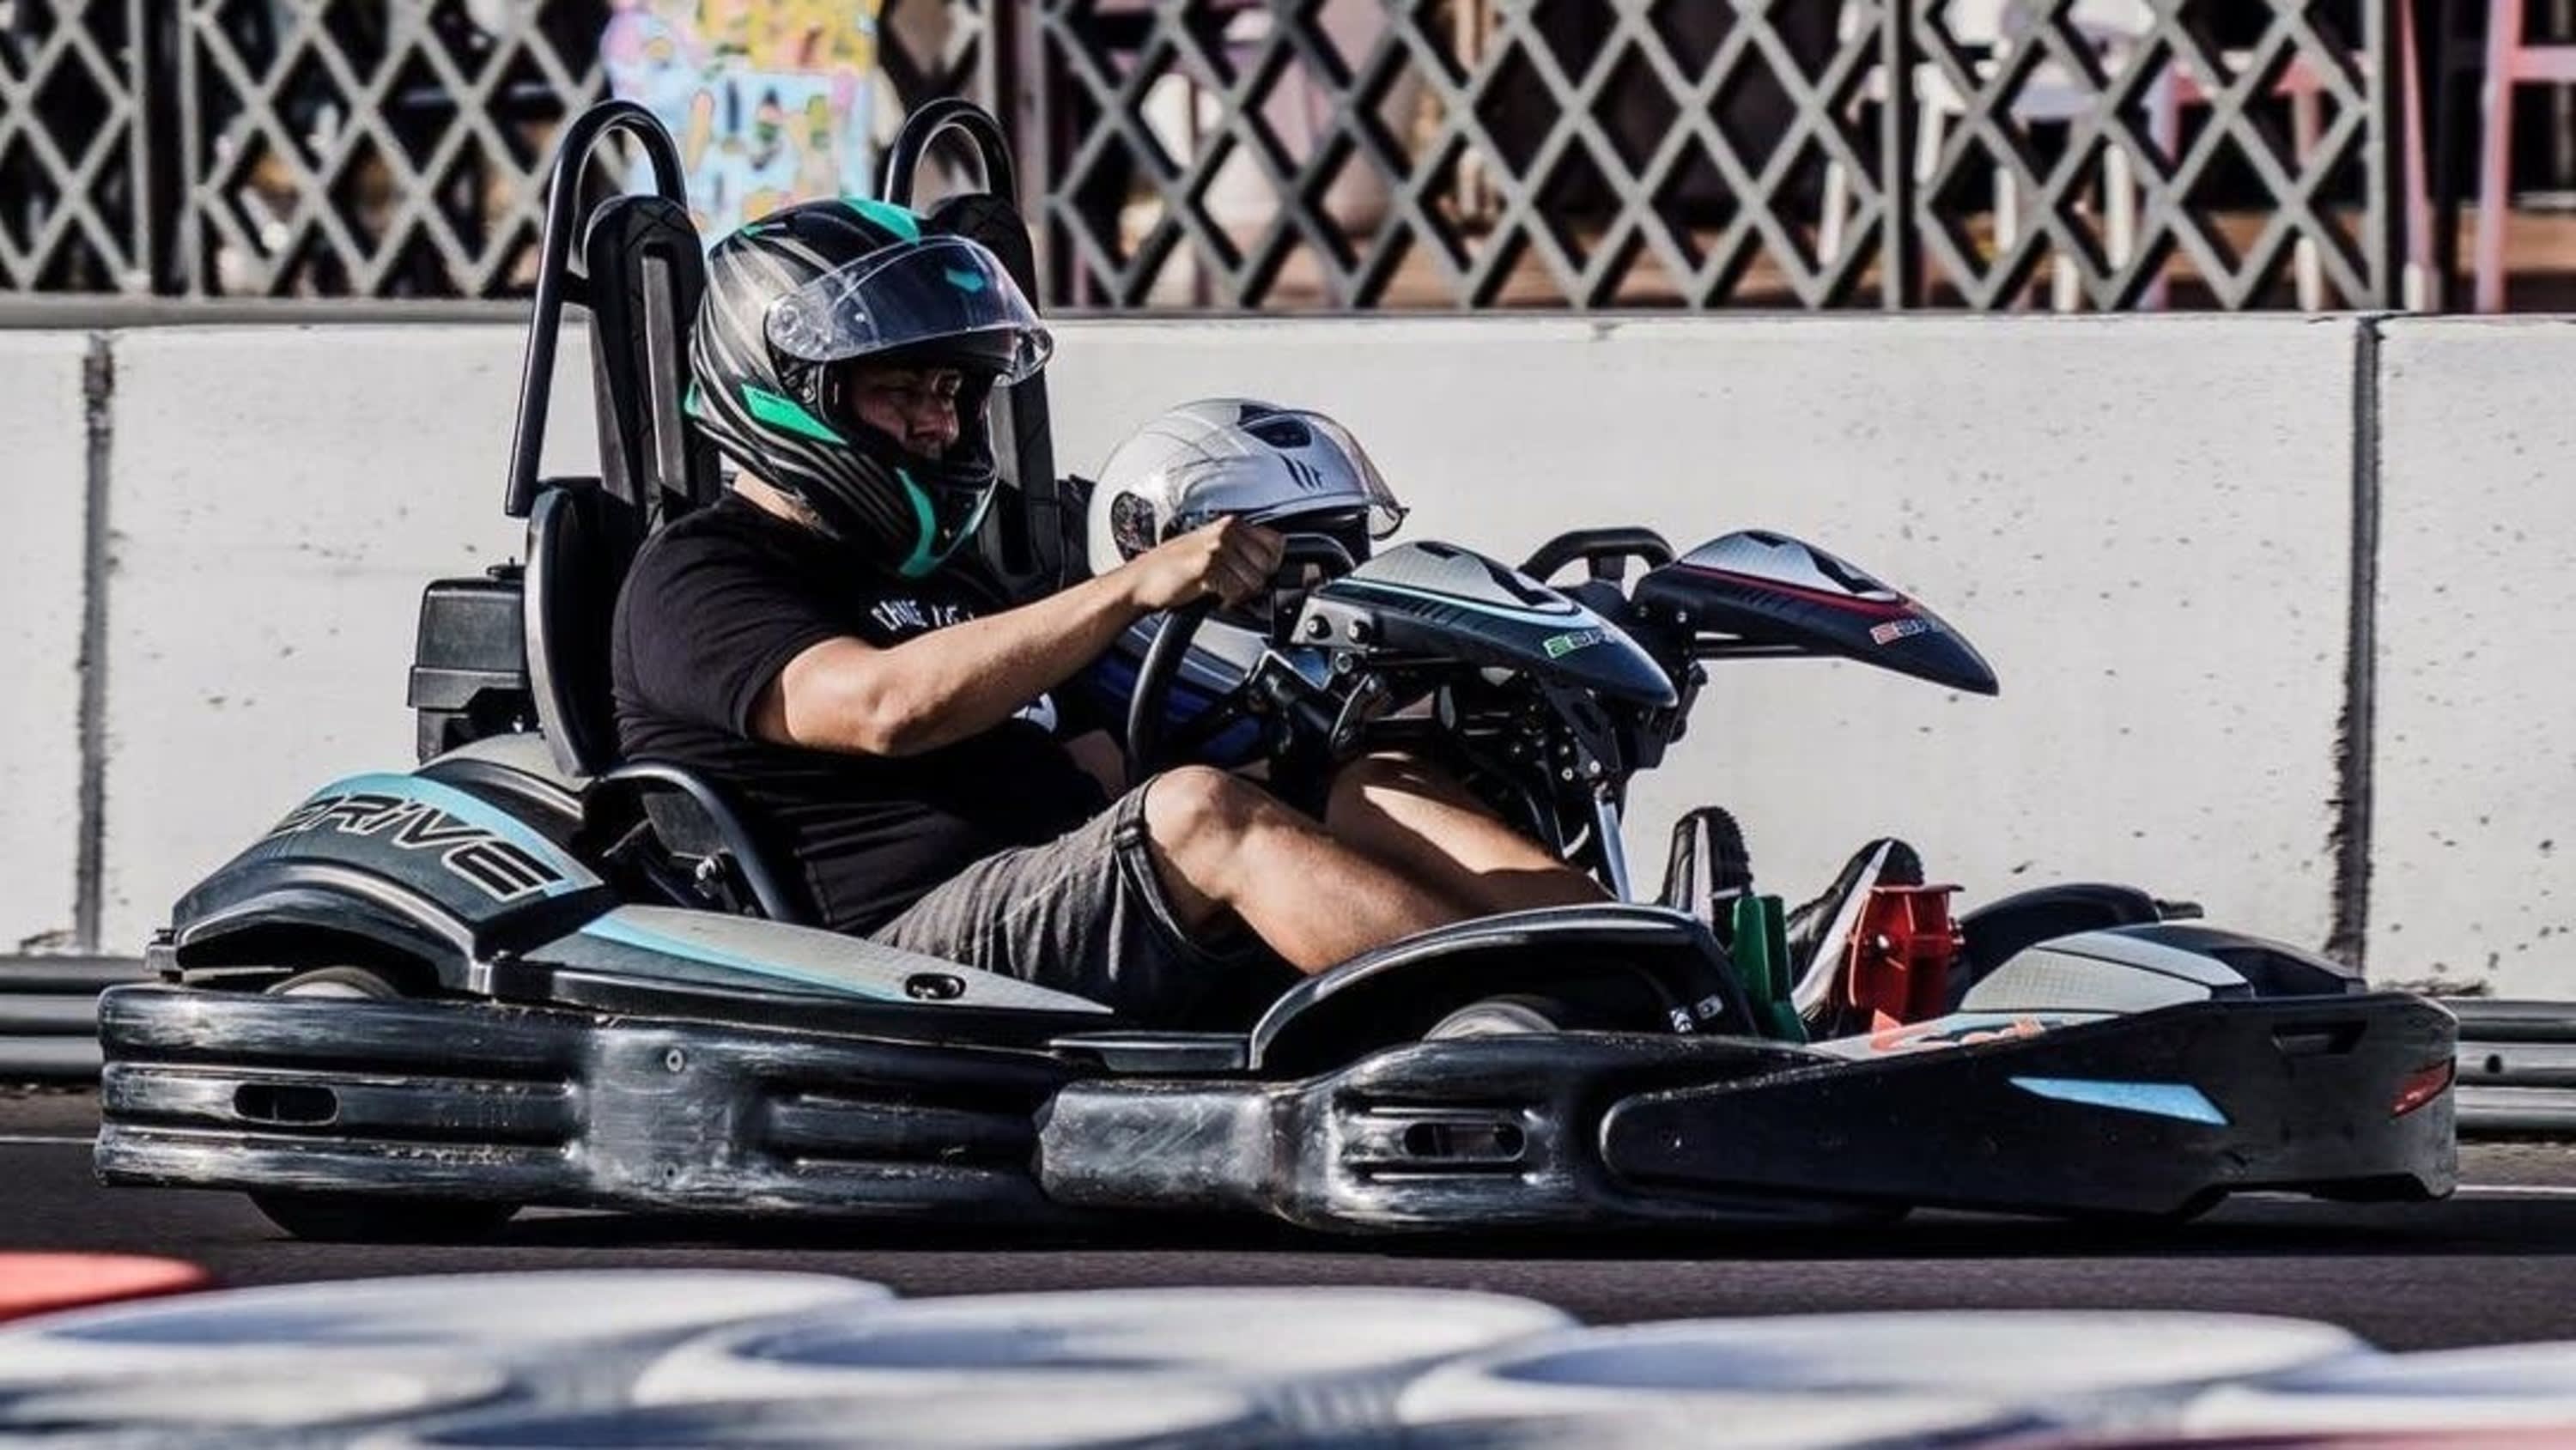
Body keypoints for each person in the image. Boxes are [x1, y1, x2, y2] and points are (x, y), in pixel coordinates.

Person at [610, 197, 1611, 1023]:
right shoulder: (701, 571)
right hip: (887, 957)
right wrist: (1133, 585)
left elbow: (1095, 762)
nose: (938, 421)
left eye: (951, 391)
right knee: (1198, 815)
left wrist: (1328, 737)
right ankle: (1524, 1025)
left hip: (1066, 898)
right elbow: (882, 707)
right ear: (789, 390)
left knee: (1356, 775)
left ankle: (1633, 982)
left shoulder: (954, 584)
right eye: (900, 390)